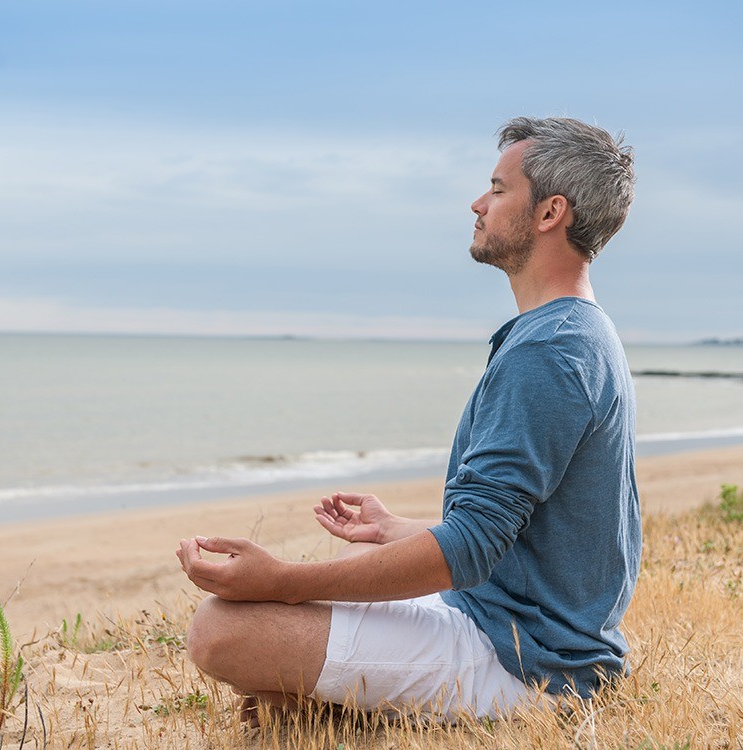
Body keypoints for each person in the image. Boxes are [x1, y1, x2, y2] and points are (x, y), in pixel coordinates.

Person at [176, 116, 641, 721]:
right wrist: (397, 529)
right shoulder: (574, 332)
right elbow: (525, 530)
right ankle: (337, 704)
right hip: (498, 620)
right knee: (300, 606)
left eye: (499, 190)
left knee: (220, 631)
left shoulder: (551, 350)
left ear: (551, 213)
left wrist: (283, 580)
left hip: (528, 665)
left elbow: (472, 546)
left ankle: (360, 707)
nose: (478, 203)